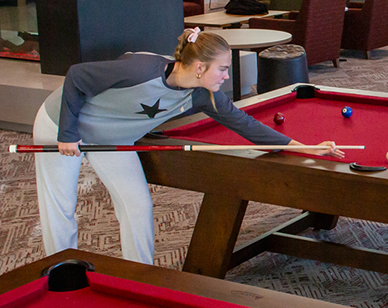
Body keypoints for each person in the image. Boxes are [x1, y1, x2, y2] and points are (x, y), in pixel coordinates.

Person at [33, 29, 344, 264]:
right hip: (60, 123)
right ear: (198, 67)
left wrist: (307, 148)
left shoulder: (202, 94)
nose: (226, 75)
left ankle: (140, 278)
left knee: (138, 207)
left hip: (112, 138)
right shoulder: (141, 71)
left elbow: (246, 125)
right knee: (61, 206)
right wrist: (67, 133)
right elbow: (76, 77)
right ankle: (62, 271)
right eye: (221, 69)